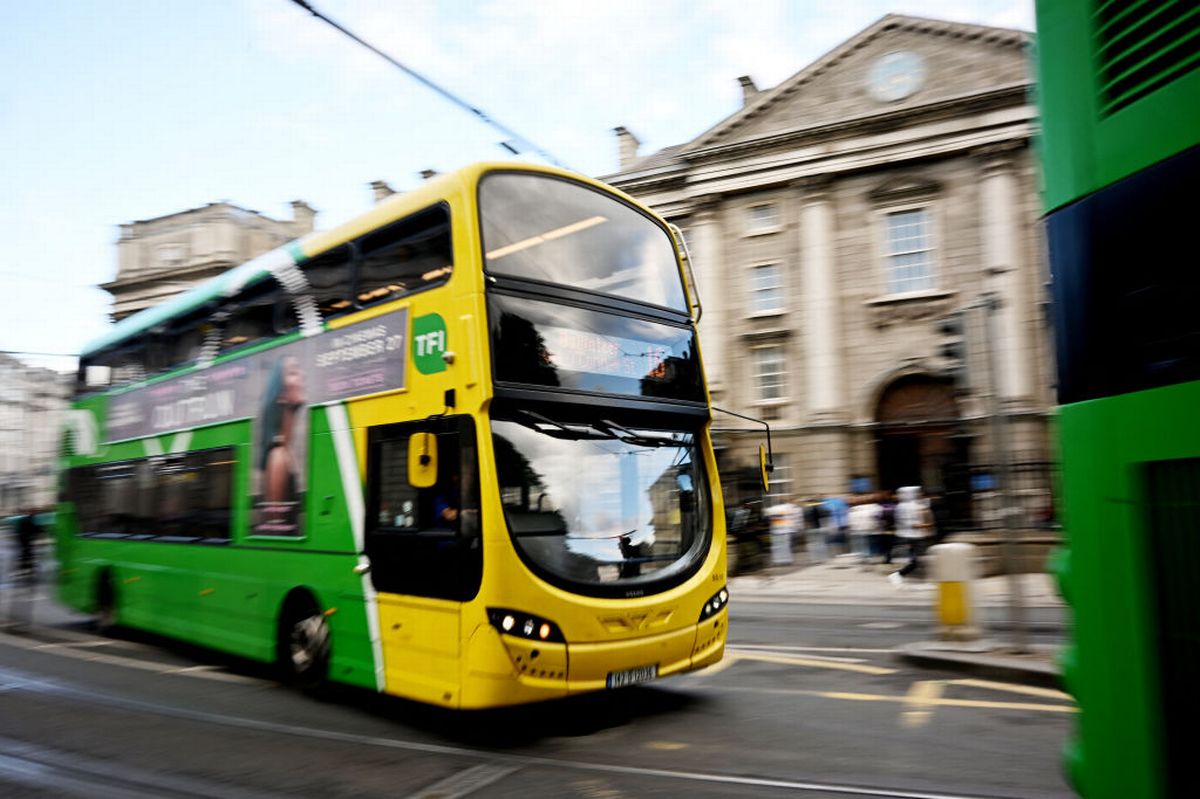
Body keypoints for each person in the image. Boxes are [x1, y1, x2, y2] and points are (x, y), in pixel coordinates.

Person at [256, 356, 306, 535]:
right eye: (293, 373)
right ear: (281, 396)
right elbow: (275, 527)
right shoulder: (278, 457)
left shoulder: (286, 451)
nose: (302, 375)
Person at [889, 486, 933, 586]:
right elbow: (911, 524)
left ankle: (899, 575)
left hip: (913, 536)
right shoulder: (908, 506)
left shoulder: (903, 506)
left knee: (918, 560)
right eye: (916, 493)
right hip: (913, 537)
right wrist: (926, 525)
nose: (918, 494)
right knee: (918, 560)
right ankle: (898, 574)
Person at [764, 497, 801, 568]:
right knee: (787, 546)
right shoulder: (788, 507)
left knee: (778, 547)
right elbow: (795, 516)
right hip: (786, 530)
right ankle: (787, 560)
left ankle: (779, 560)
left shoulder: (772, 509)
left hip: (776, 530)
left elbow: (766, 519)